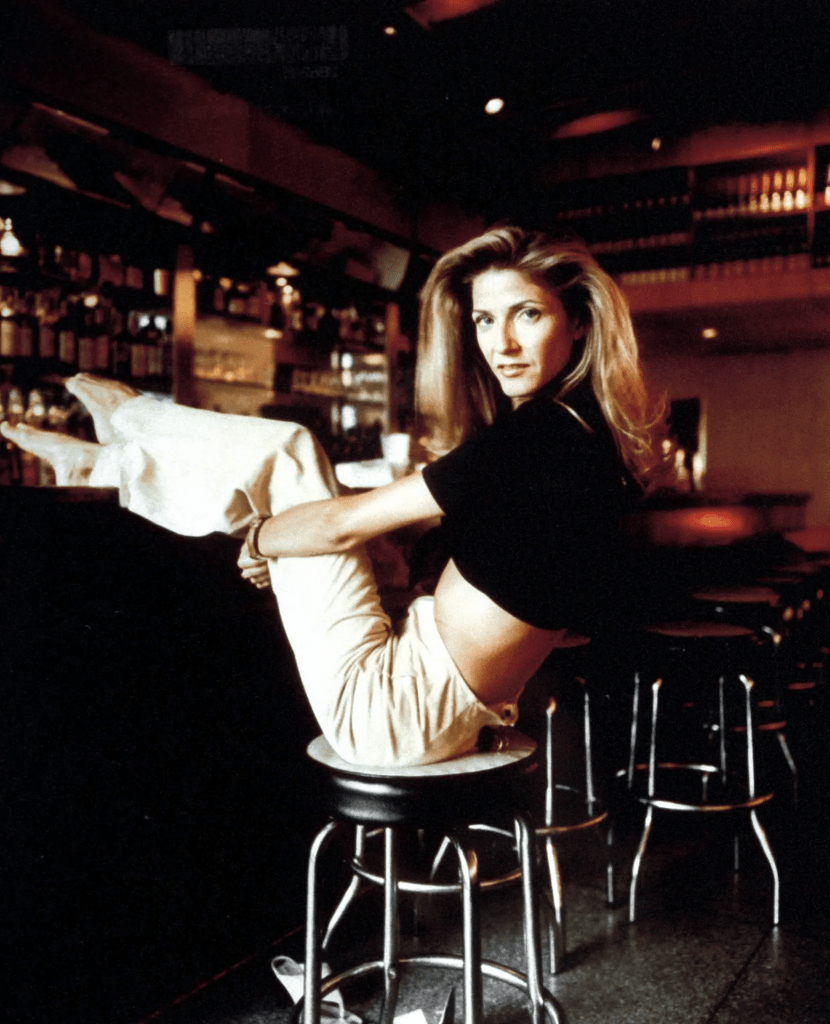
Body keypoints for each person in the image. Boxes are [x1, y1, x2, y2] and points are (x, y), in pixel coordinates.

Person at [1, 227, 658, 768]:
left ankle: (127, 426)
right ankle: (111, 458)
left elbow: (343, 526)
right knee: (298, 486)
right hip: (435, 707)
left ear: (578, 321)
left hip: (392, 711)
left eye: (528, 314)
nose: (501, 344)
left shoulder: (536, 438)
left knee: (289, 454)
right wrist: (289, 540)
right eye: (485, 319)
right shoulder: (585, 439)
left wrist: (262, 540)